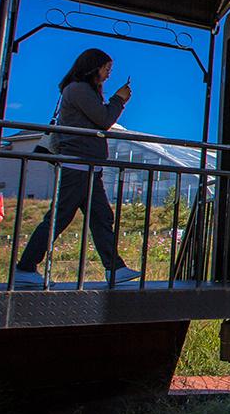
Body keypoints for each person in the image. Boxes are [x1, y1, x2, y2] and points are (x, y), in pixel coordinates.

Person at [15, 49, 140, 286]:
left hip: (87, 166)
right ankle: (25, 266)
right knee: (61, 217)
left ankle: (115, 267)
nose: (108, 74)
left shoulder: (79, 90)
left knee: (100, 216)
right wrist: (119, 99)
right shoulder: (79, 90)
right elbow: (104, 119)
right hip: (78, 164)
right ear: (93, 67)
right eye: (106, 68)